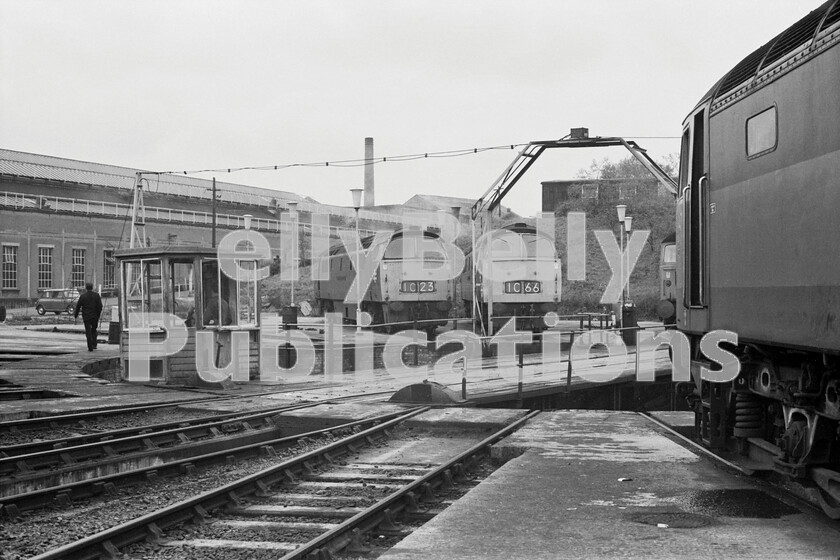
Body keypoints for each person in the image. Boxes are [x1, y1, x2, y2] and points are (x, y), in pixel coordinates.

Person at [74, 283, 103, 351]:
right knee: (93, 330)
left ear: (86, 288)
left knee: (88, 331)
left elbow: (78, 306)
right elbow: (100, 306)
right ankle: (94, 344)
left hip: (86, 316)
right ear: (92, 287)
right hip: (95, 316)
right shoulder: (96, 295)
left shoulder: (83, 296)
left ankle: (90, 347)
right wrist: (98, 314)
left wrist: (76, 315)